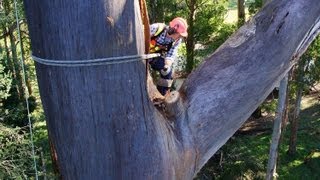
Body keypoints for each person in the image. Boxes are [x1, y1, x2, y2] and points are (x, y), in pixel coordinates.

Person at [149, 17, 188, 96]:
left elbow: (171, 54)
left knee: (167, 72)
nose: (180, 37)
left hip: (153, 57)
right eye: (179, 35)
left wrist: (167, 65)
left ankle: (162, 96)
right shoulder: (156, 28)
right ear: (173, 30)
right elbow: (138, 38)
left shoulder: (177, 40)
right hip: (139, 53)